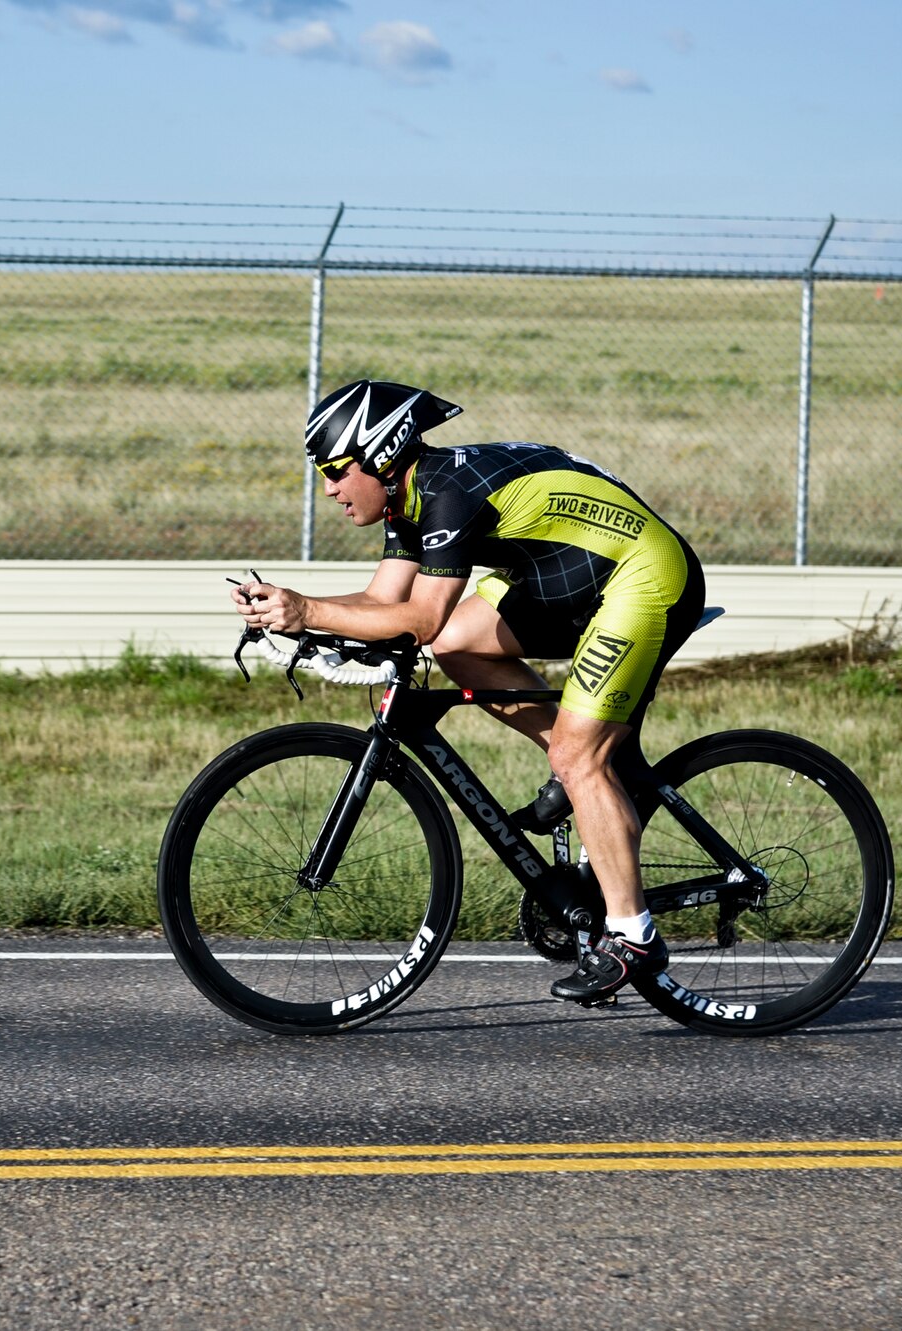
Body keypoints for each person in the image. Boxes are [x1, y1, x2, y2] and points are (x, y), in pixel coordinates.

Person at [230, 379, 706, 1005]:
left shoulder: (448, 492)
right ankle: (583, 768)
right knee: (460, 646)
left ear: (381, 454)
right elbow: (382, 603)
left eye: (337, 469)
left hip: (643, 576)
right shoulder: (410, 499)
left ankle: (633, 935)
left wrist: (308, 610)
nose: (329, 488)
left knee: (572, 749)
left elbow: (418, 618)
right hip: (569, 573)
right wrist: (293, 610)